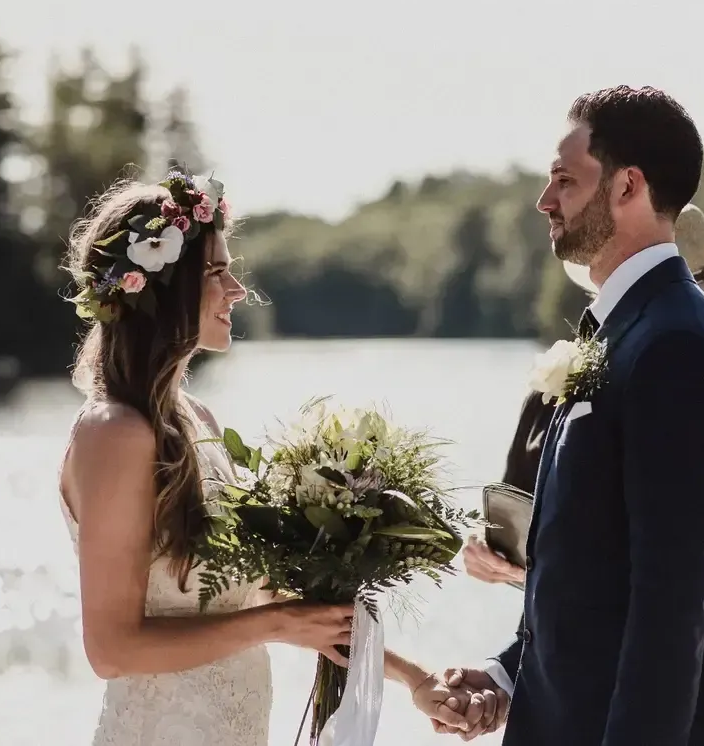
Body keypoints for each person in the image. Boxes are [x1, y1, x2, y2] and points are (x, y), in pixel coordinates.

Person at [56, 167, 488, 745]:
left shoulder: (196, 422)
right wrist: (278, 624)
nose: (237, 289)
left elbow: (255, 594)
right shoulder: (114, 433)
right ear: (159, 288)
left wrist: (415, 679)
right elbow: (111, 649)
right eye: (216, 272)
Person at [438, 86, 704, 745]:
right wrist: (509, 675)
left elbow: (671, 605)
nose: (545, 200)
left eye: (565, 179)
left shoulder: (677, 343)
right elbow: (591, 571)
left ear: (626, 187)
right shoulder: (621, 330)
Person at [463, 204, 704, 658]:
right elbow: (516, 530)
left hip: (701, 671)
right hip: (563, 661)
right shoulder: (551, 396)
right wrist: (484, 555)